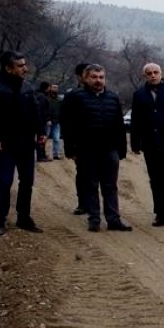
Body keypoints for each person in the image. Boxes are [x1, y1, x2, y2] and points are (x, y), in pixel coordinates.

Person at [0, 51, 47, 236]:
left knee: (27, 182)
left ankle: (24, 218)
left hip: (26, 143)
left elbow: (35, 111)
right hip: (5, 145)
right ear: (8, 68)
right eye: (20, 65)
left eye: (25, 64)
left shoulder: (27, 87)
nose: (25, 68)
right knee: (5, 182)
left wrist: (41, 132)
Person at [66, 64, 132, 232]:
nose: (98, 80)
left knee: (110, 185)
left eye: (101, 77)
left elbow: (119, 125)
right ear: (85, 78)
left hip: (110, 149)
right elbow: (68, 125)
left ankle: (113, 219)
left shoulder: (112, 97)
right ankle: (94, 219)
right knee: (91, 185)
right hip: (87, 149)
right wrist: (71, 149)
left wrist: (121, 149)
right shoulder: (76, 97)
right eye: (94, 77)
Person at [130, 63, 164, 226]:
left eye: (156, 72)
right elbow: (136, 119)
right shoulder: (139, 94)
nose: (153, 75)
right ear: (145, 76)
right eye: (149, 73)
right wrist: (135, 142)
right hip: (149, 143)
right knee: (155, 179)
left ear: (161, 73)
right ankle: (159, 213)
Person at [61, 63, 93, 214]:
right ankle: (83, 203)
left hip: (99, 144)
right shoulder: (71, 96)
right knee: (83, 173)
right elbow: (66, 123)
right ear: (80, 77)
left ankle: (94, 203)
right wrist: (69, 148)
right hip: (80, 144)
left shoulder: (102, 93)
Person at [34, 81, 52, 162]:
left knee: (41, 138)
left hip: (41, 120)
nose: (50, 89)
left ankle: (42, 154)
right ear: (46, 88)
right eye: (49, 87)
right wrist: (47, 119)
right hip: (42, 121)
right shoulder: (42, 96)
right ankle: (41, 156)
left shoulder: (40, 95)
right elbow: (42, 110)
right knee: (42, 138)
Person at [46, 83, 63, 160]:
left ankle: (56, 154)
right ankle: (45, 154)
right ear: (50, 88)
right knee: (45, 138)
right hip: (48, 121)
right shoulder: (46, 98)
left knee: (56, 139)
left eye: (56, 87)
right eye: (53, 87)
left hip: (57, 121)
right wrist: (47, 119)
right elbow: (44, 109)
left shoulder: (60, 99)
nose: (55, 89)